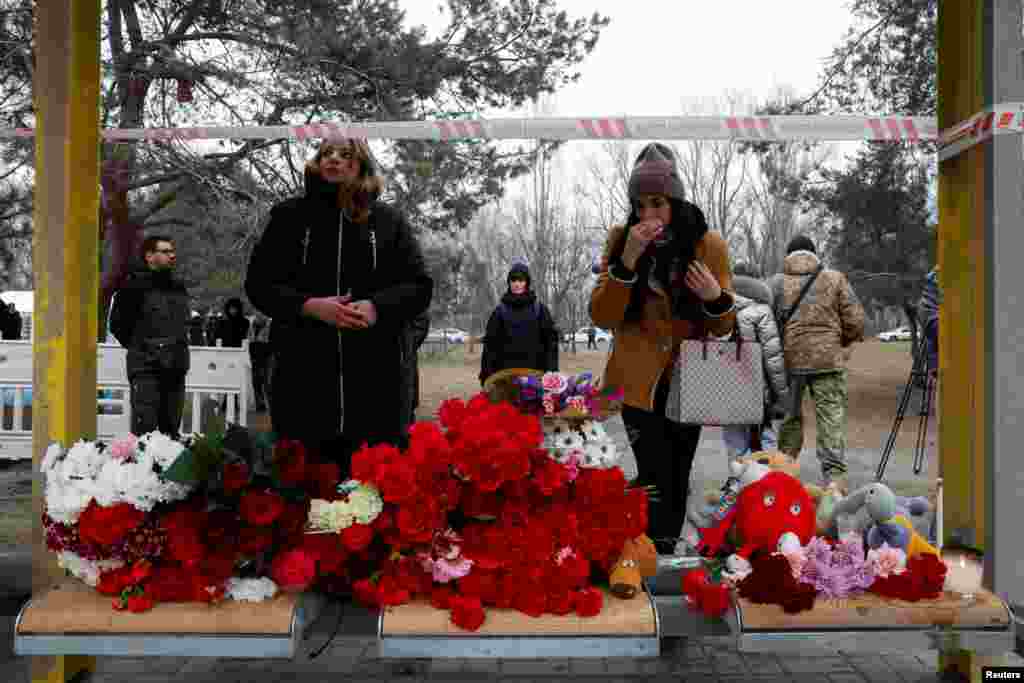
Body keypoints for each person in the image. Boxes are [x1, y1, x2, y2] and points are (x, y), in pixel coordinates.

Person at [245, 138, 433, 475]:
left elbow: (419, 287)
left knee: (370, 497)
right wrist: (307, 305)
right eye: (325, 153)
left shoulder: (388, 221)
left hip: (376, 388)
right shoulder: (289, 217)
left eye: (345, 154)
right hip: (303, 384)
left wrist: (378, 306)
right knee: (305, 493)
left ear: (360, 164)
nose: (333, 159)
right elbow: (259, 286)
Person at [590, 142, 736, 555]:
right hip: (636, 384)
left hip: (691, 380)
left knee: (677, 473)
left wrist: (714, 297)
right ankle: (652, 552)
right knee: (652, 475)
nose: (648, 215)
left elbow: (725, 325)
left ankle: (662, 553)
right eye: (640, 205)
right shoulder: (622, 240)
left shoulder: (708, 244)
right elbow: (602, 315)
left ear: (675, 199)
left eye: (657, 203)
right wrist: (627, 262)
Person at [768, 234, 865, 490]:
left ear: (788, 256)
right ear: (814, 253)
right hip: (828, 361)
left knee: (790, 417)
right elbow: (856, 321)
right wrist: (840, 341)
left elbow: (767, 323)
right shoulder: (834, 279)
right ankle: (834, 480)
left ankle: (783, 475)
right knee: (830, 418)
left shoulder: (777, 283)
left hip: (790, 362)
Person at [109, 235, 191, 438]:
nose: (172, 255)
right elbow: (118, 325)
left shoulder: (178, 287)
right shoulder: (133, 286)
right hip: (146, 368)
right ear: (149, 256)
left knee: (171, 431)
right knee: (145, 432)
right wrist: (142, 347)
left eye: (172, 251)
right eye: (165, 251)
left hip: (175, 366)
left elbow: (182, 324)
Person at [720, 263, 790, 459]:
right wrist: (782, 398)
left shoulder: (718, 307)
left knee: (733, 438)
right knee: (764, 437)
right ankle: (764, 482)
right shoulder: (762, 311)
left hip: (725, 388)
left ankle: (738, 482)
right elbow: (773, 359)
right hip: (758, 391)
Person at [479, 262, 559, 385]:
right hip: (505, 377)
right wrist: (487, 375)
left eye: (521, 280)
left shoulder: (540, 309)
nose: (517, 284)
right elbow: (490, 346)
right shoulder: (499, 311)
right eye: (513, 280)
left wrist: (552, 371)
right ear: (509, 282)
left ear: (527, 282)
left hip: (535, 377)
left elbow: (551, 342)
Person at [399, 312, 430, 438]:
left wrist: (404, 343)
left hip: (402, 367)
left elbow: (422, 321)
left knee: (404, 425)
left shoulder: (407, 295)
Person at [249, 314, 272, 411]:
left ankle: (268, 403)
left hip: (267, 356)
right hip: (255, 355)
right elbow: (249, 340)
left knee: (266, 381)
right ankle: (259, 403)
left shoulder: (269, 324)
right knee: (256, 381)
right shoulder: (252, 325)